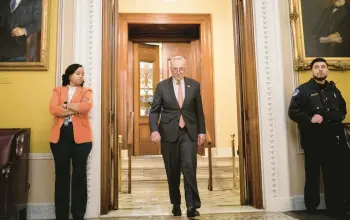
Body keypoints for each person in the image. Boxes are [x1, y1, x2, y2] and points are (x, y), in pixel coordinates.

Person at [288, 57, 349, 216]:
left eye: (323, 66)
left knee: (332, 173)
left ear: (327, 70)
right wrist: (310, 119)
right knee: (313, 173)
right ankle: (312, 208)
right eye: (317, 67)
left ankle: (334, 206)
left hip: (333, 138)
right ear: (312, 70)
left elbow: (343, 109)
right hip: (313, 138)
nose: (320, 69)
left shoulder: (334, 90)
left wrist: (337, 117)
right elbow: (293, 112)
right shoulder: (303, 90)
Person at [149, 56, 206, 217]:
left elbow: (199, 111)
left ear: (185, 68)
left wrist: (202, 131)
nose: (178, 72)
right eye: (175, 69)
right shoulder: (162, 86)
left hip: (189, 132)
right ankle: (176, 203)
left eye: (181, 69)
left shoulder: (194, 85)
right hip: (168, 133)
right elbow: (154, 111)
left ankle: (192, 206)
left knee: (189, 167)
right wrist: (154, 130)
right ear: (170, 69)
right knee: (172, 170)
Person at [49, 64, 93, 220]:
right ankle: (61, 215)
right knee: (61, 176)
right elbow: (53, 109)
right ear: (69, 75)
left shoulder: (87, 91)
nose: (81, 76)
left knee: (79, 175)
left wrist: (66, 106)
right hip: (59, 137)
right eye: (77, 73)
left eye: (82, 74)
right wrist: (75, 109)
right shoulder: (58, 90)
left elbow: (86, 106)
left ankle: (78, 214)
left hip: (82, 139)